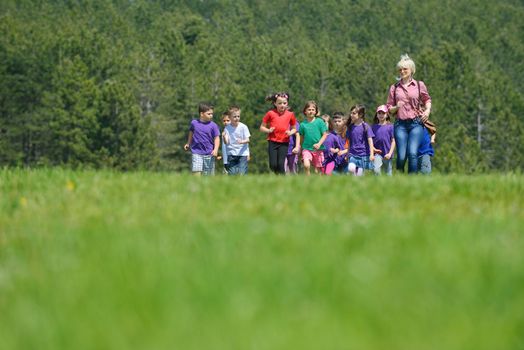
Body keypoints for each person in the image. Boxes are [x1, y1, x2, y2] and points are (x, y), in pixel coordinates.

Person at [387, 54, 432, 174]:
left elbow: (427, 100)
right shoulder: (394, 87)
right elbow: (389, 108)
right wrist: (397, 107)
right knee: (402, 156)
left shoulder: (419, 85)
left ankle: (412, 180)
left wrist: (427, 111)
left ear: (411, 70)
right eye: (400, 69)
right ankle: (400, 179)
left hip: (416, 123)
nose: (402, 71)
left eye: (405, 69)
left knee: (412, 153)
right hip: (400, 125)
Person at [260, 92, 297, 174]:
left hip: (284, 142)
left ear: (287, 104)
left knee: (280, 164)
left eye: (284, 103)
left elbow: (294, 129)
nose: (282, 105)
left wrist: (290, 132)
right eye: (279, 103)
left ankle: (282, 180)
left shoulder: (290, 114)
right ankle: (278, 176)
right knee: (273, 165)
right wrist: (268, 130)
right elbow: (262, 127)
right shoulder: (270, 113)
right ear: (275, 103)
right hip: (272, 141)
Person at [184, 102, 220, 176]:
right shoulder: (194, 123)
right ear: (201, 114)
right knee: (196, 172)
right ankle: (196, 187)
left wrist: (215, 149)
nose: (211, 116)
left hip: (209, 154)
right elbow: (191, 132)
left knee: (208, 175)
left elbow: (217, 138)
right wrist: (188, 143)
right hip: (196, 152)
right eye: (209, 114)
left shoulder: (213, 125)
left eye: (212, 114)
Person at [298, 101, 328, 175]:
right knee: (306, 165)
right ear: (305, 111)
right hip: (307, 148)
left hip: (318, 149)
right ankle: (307, 178)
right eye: (309, 109)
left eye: (313, 110)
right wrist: (301, 149)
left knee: (317, 171)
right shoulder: (302, 125)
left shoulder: (320, 122)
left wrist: (319, 144)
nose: (311, 111)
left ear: (315, 111)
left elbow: (325, 134)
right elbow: (301, 138)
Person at [346, 104, 375, 176]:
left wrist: (371, 154)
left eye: (354, 113)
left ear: (360, 115)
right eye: (351, 113)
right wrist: (347, 154)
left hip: (363, 155)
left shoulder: (366, 127)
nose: (351, 115)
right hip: (353, 154)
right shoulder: (350, 127)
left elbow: (370, 141)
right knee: (350, 168)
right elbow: (349, 142)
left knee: (359, 175)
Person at [223, 105, 250, 175]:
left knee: (242, 172)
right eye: (234, 117)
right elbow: (226, 142)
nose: (237, 118)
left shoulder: (243, 127)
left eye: (238, 116)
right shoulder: (227, 128)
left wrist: (242, 141)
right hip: (231, 153)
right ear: (229, 117)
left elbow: (248, 139)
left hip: (242, 154)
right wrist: (223, 137)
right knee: (232, 173)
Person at [372, 105, 396, 176]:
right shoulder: (373, 127)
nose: (381, 115)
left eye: (383, 113)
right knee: (376, 170)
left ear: (387, 115)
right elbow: (370, 141)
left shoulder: (390, 127)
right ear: (376, 115)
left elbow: (393, 141)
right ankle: (378, 184)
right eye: (379, 113)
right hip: (377, 153)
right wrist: (374, 149)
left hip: (387, 154)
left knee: (388, 173)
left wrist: (390, 153)